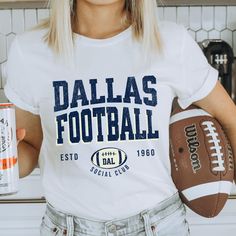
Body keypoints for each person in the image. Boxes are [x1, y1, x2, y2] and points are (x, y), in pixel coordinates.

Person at [4, 0, 236, 235]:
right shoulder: (29, 50)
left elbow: (230, 118)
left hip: (160, 225)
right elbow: (29, 149)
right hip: (67, 228)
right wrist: (6, 156)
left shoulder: (171, 42)